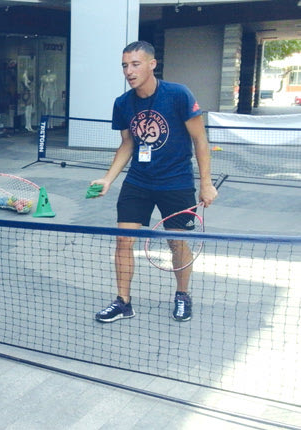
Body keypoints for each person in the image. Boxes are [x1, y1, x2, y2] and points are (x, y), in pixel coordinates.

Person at [90, 41, 218, 323]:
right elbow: (127, 144)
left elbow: (200, 139)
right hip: (138, 182)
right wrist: (108, 179)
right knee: (123, 241)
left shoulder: (178, 95)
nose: (129, 71)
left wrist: (206, 183)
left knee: (177, 244)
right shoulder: (123, 103)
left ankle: (182, 295)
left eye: (135, 64)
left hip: (176, 183)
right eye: (125, 65)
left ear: (152, 64)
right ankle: (123, 302)